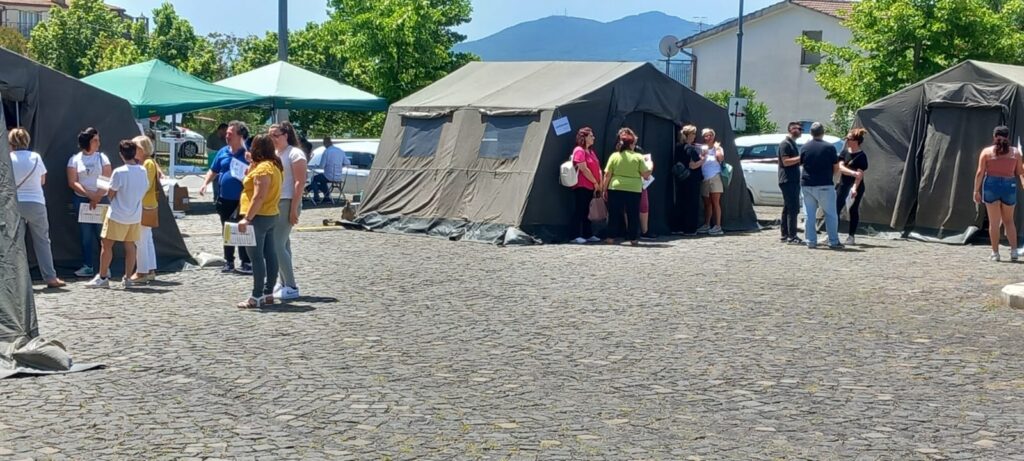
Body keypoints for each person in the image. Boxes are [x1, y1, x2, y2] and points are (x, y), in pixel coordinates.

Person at [85, 140, 149, 288]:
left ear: (121, 155)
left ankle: (102, 277)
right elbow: (144, 188)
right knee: (130, 246)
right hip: (134, 215)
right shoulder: (142, 170)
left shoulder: (119, 172)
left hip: (117, 215)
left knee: (106, 246)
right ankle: (127, 278)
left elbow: (111, 194)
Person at [9, 128, 64, 288]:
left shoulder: (7, 158)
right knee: (42, 241)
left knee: (14, 242)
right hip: (36, 201)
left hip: (15, 203)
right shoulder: (36, 157)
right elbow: (42, 180)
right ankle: (50, 277)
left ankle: (16, 280)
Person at [236, 134, 283, 308]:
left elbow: (259, 196)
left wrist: (247, 218)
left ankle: (256, 296)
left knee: (256, 257)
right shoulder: (274, 165)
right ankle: (268, 292)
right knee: (270, 254)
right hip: (271, 214)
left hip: (258, 217)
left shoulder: (263, 169)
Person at [199, 121, 252, 274]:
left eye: (230, 134)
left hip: (243, 199)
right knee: (227, 230)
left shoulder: (249, 153)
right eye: (227, 133)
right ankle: (229, 261)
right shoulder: (223, 151)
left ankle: (246, 261)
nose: (226, 136)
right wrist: (205, 183)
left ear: (240, 136)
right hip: (224, 198)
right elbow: (213, 170)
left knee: (242, 229)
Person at [973, 125, 1024, 261]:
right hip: (1009, 185)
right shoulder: (1015, 153)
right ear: (1007, 137)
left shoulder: (986, 152)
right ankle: (1013, 251)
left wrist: (976, 191)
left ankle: (995, 253)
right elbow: (1019, 172)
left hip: (991, 185)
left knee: (994, 223)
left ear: (994, 136)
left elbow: (980, 173)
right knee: (1009, 221)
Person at [67, 127, 112, 278]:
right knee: (85, 234)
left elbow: (107, 177)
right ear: (87, 142)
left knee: (103, 233)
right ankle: (88, 265)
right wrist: (88, 194)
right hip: (82, 199)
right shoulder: (75, 159)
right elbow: (73, 181)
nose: (98, 143)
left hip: (101, 198)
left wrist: (98, 196)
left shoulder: (102, 157)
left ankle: (105, 267)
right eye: (95, 140)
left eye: (98, 140)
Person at [270, 122, 306, 300]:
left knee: (277, 245)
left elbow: (299, 182)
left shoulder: (295, 154)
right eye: (270, 135)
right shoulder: (276, 153)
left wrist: (294, 208)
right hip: (276, 202)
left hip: (287, 201)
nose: (273, 139)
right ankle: (283, 281)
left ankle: (291, 285)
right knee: (284, 244)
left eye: (276, 135)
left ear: (286, 135)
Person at [602, 127, 651, 246]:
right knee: (633, 214)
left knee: (613, 213)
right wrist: (650, 166)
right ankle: (633, 239)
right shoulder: (638, 157)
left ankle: (610, 237)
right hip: (634, 189)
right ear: (631, 144)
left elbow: (608, 174)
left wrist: (604, 189)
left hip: (616, 187)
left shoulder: (614, 156)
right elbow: (646, 175)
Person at [800, 122, 843, 249]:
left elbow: (802, 164)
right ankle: (833, 241)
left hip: (807, 184)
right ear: (823, 132)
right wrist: (832, 177)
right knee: (830, 214)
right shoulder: (829, 148)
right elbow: (836, 167)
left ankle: (811, 241)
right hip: (824, 184)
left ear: (811, 133)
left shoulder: (805, 147)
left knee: (809, 214)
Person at [130, 135, 162, 283]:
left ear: (141, 149)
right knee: (146, 239)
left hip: (144, 205)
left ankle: (142, 271)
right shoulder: (149, 163)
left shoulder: (148, 164)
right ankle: (150, 269)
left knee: (140, 239)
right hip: (147, 204)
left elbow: (145, 185)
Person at [836, 128, 869, 246]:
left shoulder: (862, 156)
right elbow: (841, 167)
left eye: (849, 139)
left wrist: (855, 188)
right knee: (836, 209)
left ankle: (851, 236)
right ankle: (832, 234)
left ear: (856, 141)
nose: (847, 141)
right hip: (843, 184)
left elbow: (860, 175)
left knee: (853, 210)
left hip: (856, 186)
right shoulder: (844, 152)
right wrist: (852, 173)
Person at [570, 127, 602, 244]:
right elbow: (583, 168)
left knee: (586, 211)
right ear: (584, 137)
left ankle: (588, 234)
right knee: (580, 209)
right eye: (591, 136)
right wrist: (594, 181)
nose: (593, 138)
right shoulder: (579, 150)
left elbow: (597, 167)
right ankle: (574, 235)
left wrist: (598, 183)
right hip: (582, 185)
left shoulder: (591, 151)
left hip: (592, 186)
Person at [672, 125, 704, 235]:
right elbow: (693, 165)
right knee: (692, 204)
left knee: (681, 202)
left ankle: (677, 227)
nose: (695, 136)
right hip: (692, 180)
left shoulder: (678, 147)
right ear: (689, 135)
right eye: (694, 134)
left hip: (681, 179)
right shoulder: (690, 148)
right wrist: (703, 159)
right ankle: (690, 229)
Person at [777, 122, 803, 244]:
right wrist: (801, 157)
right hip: (787, 180)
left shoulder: (793, 144)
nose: (801, 131)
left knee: (788, 207)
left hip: (793, 180)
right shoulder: (785, 144)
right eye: (798, 129)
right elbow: (786, 161)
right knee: (793, 208)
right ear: (791, 129)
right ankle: (792, 236)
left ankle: (785, 234)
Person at [698, 128, 725, 235]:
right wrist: (703, 155)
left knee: (715, 202)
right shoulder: (701, 148)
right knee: (707, 203)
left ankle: (718, 226)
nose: (708, 138)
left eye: (710, 135)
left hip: (715, 177)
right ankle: (707, 224)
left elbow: (721, 158)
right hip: (705, 178)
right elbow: (699, 160)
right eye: (706, 136)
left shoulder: (718, 148)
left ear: (714, 136)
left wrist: (717, 148)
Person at [310, 137, 350, 204]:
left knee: (314, 178)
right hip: (338, 177)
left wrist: (316, 166)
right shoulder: (340, 151)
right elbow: (348, 163)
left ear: (326, 143)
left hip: (328, 176)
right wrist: (340, 165)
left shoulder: (327, 151)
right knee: (322, 180)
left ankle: (316, 197)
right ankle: (327, 197)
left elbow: (322, 166)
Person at [639, 152, 656, 239]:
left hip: (641, 184)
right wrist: (651, 166)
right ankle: (629, 231)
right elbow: (646, 173)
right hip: (629, 184)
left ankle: (644, 231)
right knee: (628, 207)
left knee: (644, 206)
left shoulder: (638, 153)